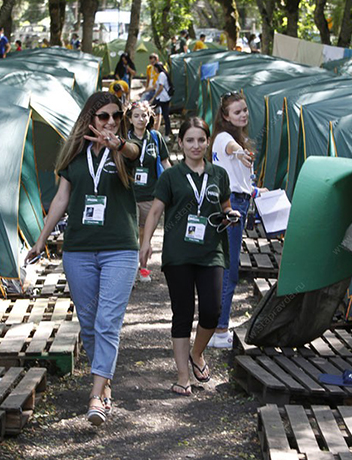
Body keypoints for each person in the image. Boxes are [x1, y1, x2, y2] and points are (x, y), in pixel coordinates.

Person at [26, 92, 141, 426]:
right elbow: (61, 199)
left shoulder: (126, 150)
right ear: (90, 118)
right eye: (102, 116)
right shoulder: (75, 156)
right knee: (89, 323)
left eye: (115, 116)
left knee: (108, 321)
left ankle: (95, 395)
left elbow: (132, 150)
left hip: (120, 248)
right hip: (78, 250)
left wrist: (117, 143)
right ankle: (105, 386)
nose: (109, 122)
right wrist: (40, 240)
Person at [140, 117, 240, 396]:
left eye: (200, 140)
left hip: (211, 252)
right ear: (181, 143)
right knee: (182, 313)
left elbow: (225, 206)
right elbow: (156, 211)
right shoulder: (171, 176)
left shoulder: (219, 174)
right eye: (190, 140)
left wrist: (230, 216)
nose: (196, 145)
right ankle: (183, 377)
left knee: (212, 310)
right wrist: (146, 242)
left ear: (208, 142)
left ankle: (197, 353)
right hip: (179, 254)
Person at [209, 92, 266, 348]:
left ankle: (216, 328)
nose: (243, 114)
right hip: (231, 205)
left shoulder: (235, 138)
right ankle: (219, 330)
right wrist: (241, 152)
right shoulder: (225, 139)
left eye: (244, 110)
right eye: (236, 112)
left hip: (239, 200)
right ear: (225, 116)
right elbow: (232, 151)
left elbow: (237, 178)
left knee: (227, 268)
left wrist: (255, 191)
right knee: (229, 271)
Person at [126, 101, 172, 283]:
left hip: (150, 194)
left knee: (146, 234)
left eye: (144, 115)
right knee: (131, 234)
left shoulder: (155, 137)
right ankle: (130, 270)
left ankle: (143, 267)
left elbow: (165, 162)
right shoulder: (125, 139)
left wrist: (175, 180)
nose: (140, 119)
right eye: (136, 115)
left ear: (149, 117)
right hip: (129, 194)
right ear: (129, 119)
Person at [148, 62, 172, 138]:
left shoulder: (161, 75)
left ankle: (149, 129)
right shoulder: (163, 74)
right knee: (165, 116)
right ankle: (167, 133)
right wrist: (145, 91)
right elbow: (155, 86)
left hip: (162, 98)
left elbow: (160, 88)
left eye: (155, 68)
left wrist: (153, 98)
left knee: (149, 109)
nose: (154, 70)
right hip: (165, 98)